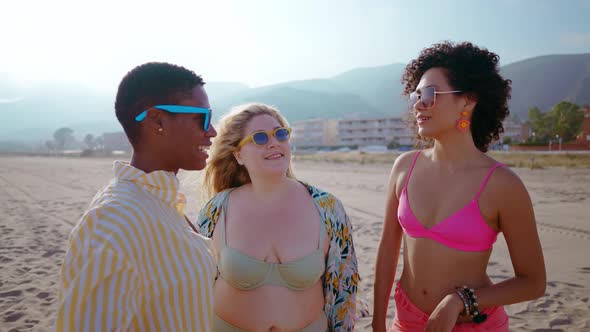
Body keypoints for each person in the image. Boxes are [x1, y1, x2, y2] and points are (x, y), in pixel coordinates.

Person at [372, 42, 546, 332]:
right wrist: (378, 323)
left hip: (473, 324)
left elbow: (533, 282)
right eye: (416, 95)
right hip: (407, 322)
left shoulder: (502, 185)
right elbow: (388, 250)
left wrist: (459, 301)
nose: (417, 104)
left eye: (429, 94)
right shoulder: (404, 167)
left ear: (467, 101)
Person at [57, 62, 218, 331]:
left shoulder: (157, 200)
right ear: (157, 121)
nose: (212, 130)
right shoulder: (113, 221)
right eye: (202, 117)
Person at [196, 103, 359, 331]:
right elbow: (195, 283)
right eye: (260, 138)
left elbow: (344, 287)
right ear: (238, 155)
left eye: (280, 134)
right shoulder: (216, 209)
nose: (274, 142)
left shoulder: (327, 207)